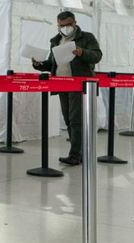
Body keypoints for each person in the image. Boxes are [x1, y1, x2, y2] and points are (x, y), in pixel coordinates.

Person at [32, 11, 102, 165]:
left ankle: (75, 155)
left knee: (75, 119)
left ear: (74, 23)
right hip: (61, 83)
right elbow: (52, 63)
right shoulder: (56, 41)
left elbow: (97, 56)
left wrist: (82, 52)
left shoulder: (86, 38)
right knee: (68, 119)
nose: (65, 28)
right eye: (61, 26)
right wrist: (39, 64)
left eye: (68, 25)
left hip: (78, 84)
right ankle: (78, 152)